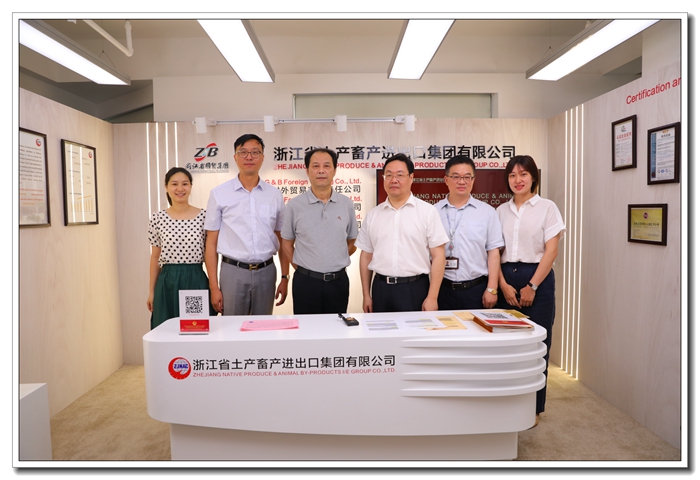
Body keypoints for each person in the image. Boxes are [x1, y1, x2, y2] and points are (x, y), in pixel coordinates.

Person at [496, 155, 566, 426]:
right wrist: (502, 285)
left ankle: (534, 408)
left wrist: (532, 286)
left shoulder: (547, 207)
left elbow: (551, 251)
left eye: (523, 174)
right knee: (506, 347)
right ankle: (507, 402)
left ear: (533, 177)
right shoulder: (500, 211)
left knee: (537, 346)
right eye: (512, 175)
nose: (518, 180)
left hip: (538, 277)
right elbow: (494, 252)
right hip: (505, 277)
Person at [203, 133, 289, 316]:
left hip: (266, 272)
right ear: (235, 157)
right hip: (232, 272)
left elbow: (282, 238)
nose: (249, 157)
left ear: (263, 157)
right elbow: (211, 242)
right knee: (231, 328)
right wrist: (214, 286)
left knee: (262, 327)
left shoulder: (274, 194)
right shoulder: (219, 194)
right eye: (243, 152)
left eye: (255, 152)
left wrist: (284, 277)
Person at [355, 153, 449, 313]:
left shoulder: (427, 212)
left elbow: (439, 256)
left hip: (415, 289)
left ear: (411, 178)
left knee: (416, 329)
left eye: (400, 175)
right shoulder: (373, 215)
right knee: (380, 330)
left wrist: (432, 297)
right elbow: (366, 256)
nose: (394, 180)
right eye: (389, 175)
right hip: (381, 289)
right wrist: (366, 295)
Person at [281, 148, 358, 314]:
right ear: (307, 171)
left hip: (338, 282)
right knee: (306, 329)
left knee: (337, 327)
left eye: (327, 166)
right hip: (305, 283)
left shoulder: (346, 204)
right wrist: (301, 267)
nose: (321, 171)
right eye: (315, 166)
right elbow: (286, 243)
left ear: (334, 170)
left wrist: (334, 257)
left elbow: (353, 240)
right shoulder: (294, 205)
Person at [147, 167, 215, 329]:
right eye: (174, 184)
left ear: (190, 186)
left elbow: (210, 254)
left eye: (185, 184)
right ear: (166, 187)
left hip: (195, 279)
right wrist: (151, 291)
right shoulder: (157, 218)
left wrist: (214, 286)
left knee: (195, 329)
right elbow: (155, 257)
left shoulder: (204, 216)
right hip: (167, 282)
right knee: (166, 330)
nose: (180, 188)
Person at [435, 156, 504, 310]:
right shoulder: (434, 212)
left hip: (476, 290)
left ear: (473, 180)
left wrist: (492, 288)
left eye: (467, 177)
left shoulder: (487, 212)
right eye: (456, 177)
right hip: (442, 289)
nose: (462, 182)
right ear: (446, 180)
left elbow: (493, 252)